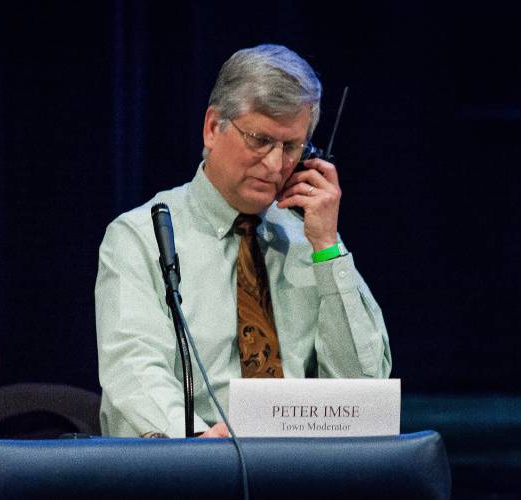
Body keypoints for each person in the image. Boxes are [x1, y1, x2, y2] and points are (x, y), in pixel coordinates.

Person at [95, 44, 391, 438]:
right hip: (190, 472)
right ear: (213, 127)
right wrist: (198, 444)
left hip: (299, 473)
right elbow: (134, 369)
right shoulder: (139, 237)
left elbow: (365, 392)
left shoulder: (311, 242)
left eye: (290, 147)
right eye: (260, 140)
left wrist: (328, 247)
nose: (274, 165)